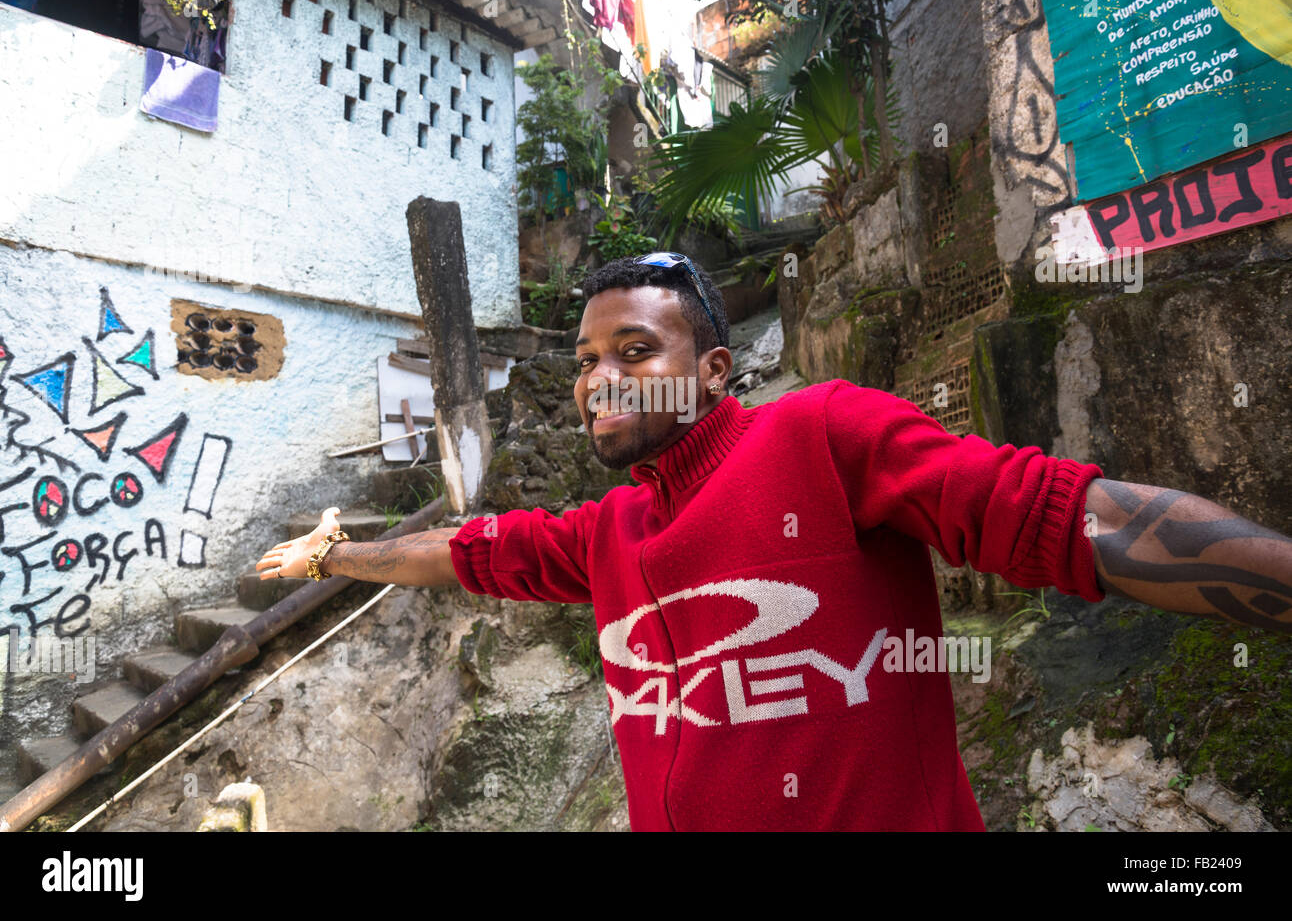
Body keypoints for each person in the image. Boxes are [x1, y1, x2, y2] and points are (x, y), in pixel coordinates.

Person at [256, 252, 1292, 830]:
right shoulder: (604, 531)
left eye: (633, 351)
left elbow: (1077, 519)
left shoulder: (819, 436)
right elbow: (469, 552)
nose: (595, 379)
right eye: (582, 359)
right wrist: (337, 554)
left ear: (712, 370)